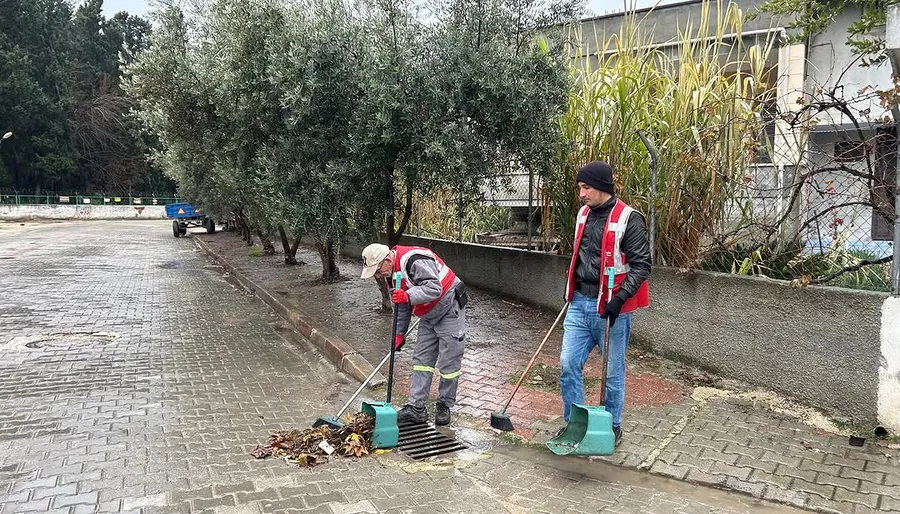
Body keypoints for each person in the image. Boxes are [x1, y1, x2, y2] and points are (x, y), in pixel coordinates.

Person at [558, 160, 651, 446]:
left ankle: (611, 427)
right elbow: (579, 256)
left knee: (612, 373)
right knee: (568, 364)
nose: (582, 194)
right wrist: (570, 288)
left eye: (586, 187)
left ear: (601, 187)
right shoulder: (583, 214)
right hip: (578, 302)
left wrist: (620, 299)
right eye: (580, 187)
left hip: (612, 308)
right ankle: (575, 424)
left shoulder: (629, 218)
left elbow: (642, 265)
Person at [360, 243, 468, 426]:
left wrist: (407, 296)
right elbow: (401, 305)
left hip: (449, 307)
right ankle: (416, 408)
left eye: (377, 270)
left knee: (449, 361)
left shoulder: (414, 261)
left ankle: (444, 404)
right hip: (428, 313)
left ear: (387, 260)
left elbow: (434, 288)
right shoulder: (392, 275)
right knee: (422, 359)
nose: (378, 275)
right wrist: (399, 334)